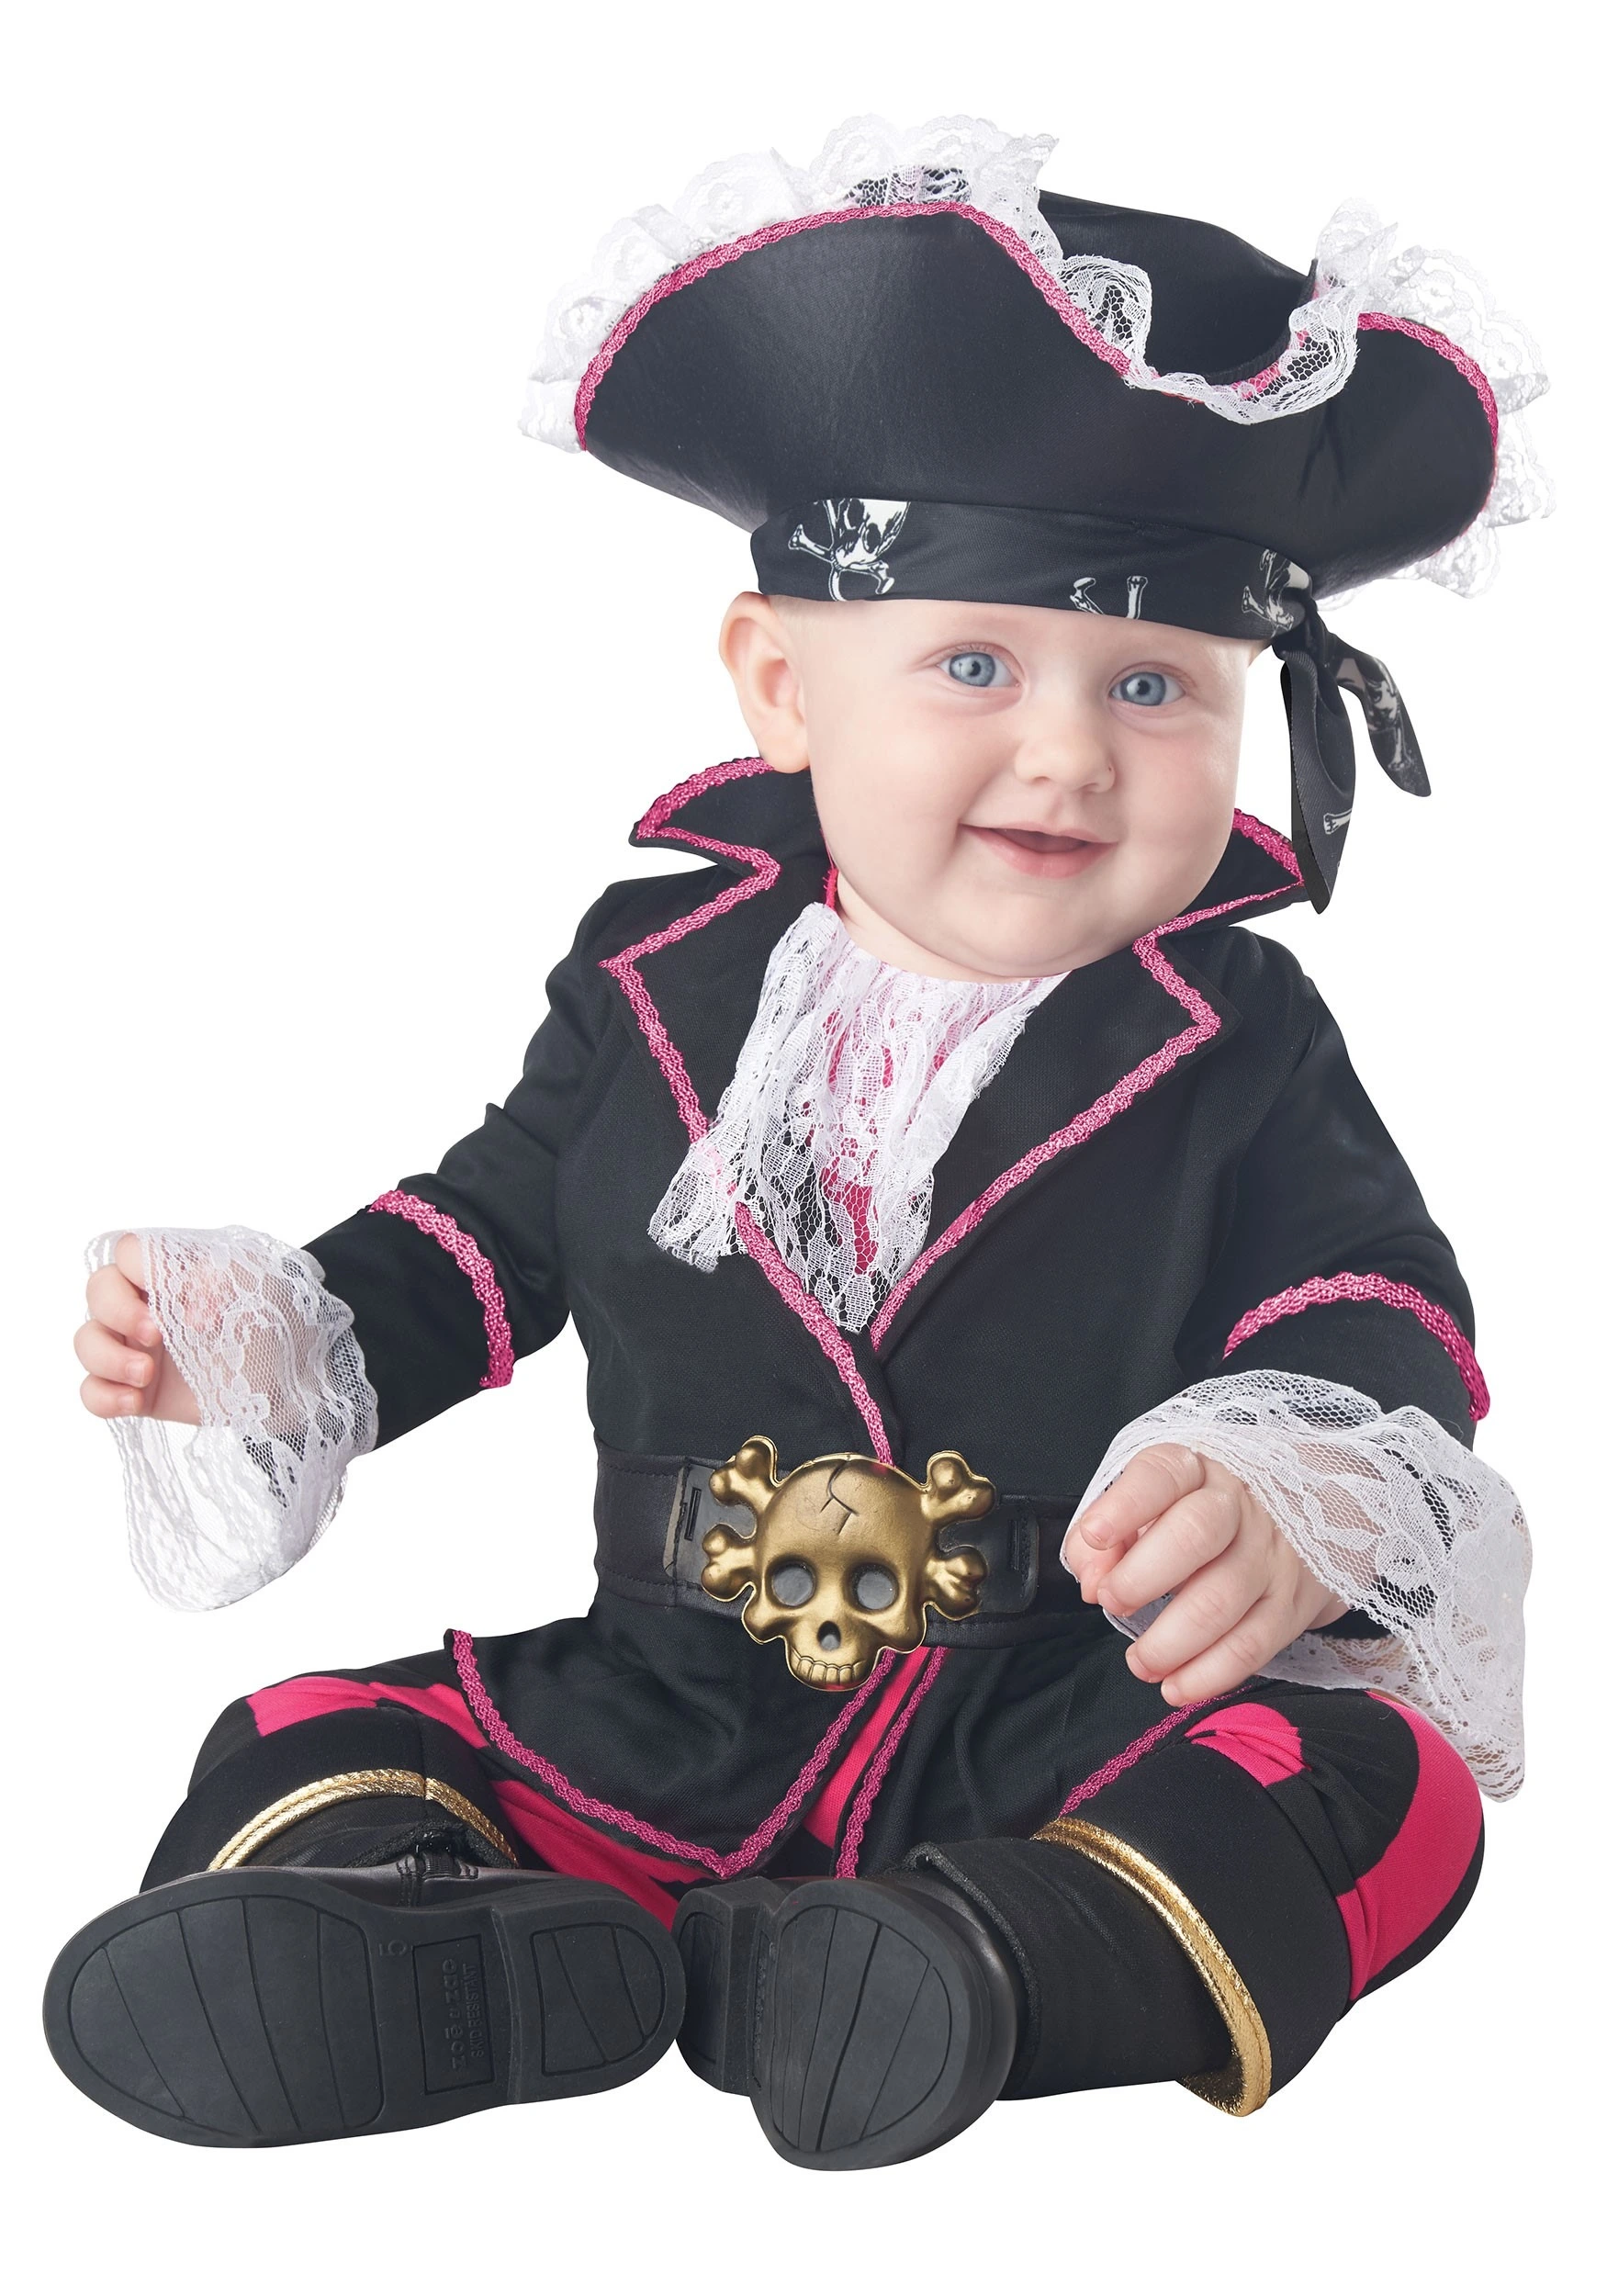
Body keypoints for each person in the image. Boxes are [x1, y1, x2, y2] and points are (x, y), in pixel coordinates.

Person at [47, 117, 1542, 2168]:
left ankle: (997, 1956)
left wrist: (1291, 1477)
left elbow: (1370, 1297)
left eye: (1151, 684)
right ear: (780, 686)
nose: (1065, 751)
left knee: (1376, 1788)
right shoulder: (650, 980)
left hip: (1057, 1708)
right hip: (661, 1703)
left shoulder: (1238, 1036)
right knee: (313, 1734)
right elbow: (484, 1237)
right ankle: (443, 1931)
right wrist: (271, 1332)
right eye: (971, 663)